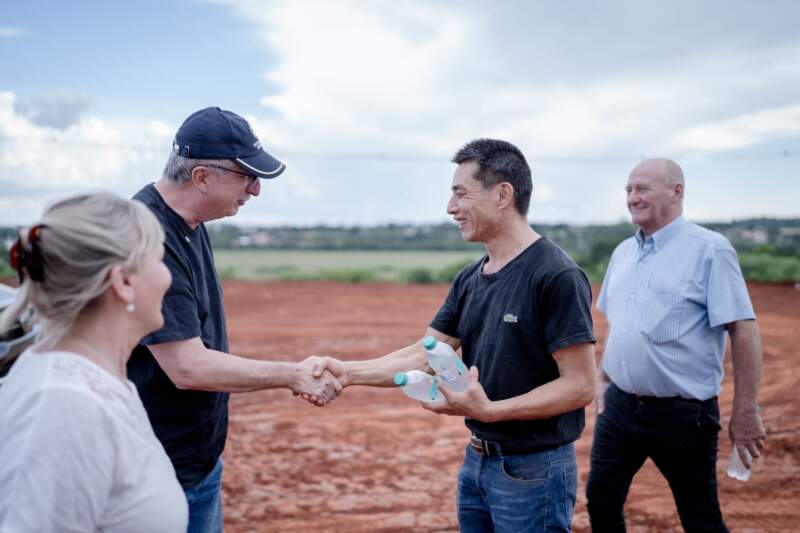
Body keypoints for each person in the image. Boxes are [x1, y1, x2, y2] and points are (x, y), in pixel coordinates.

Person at [309, 139, 597, 532]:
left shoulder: (556, 276)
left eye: (461, 193)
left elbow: (580, 386)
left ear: (502, 195)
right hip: (478, 461)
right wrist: (348, 372)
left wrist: (492, 411)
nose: (450, 207)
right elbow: (426, 352)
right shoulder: (471, 277)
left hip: (535, 470)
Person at [127, 106, 341, 533]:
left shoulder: (189, 222)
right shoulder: (146, 236)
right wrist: (293, 375)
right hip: (157, 475)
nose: (255, 190)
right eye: (247, 176)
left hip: (196, 463)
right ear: (202, 177)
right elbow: (187, 367)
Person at [585, 159, 766, 532]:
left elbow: (743, 330)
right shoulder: (622, 254)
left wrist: (746, 411)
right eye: (629, 190)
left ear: (676, 191)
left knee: (699, 517)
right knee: (601, 499)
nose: (633, 198)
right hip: (619, 407)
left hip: (682, 416)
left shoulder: (710, 250)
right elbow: (619, 328)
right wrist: (603, 381)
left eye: (643, 189)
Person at [0, 193, 188, 532]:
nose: (168, 277)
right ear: (123, 282)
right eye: (160, 260)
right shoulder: (64, 405)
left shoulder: (90, 379)